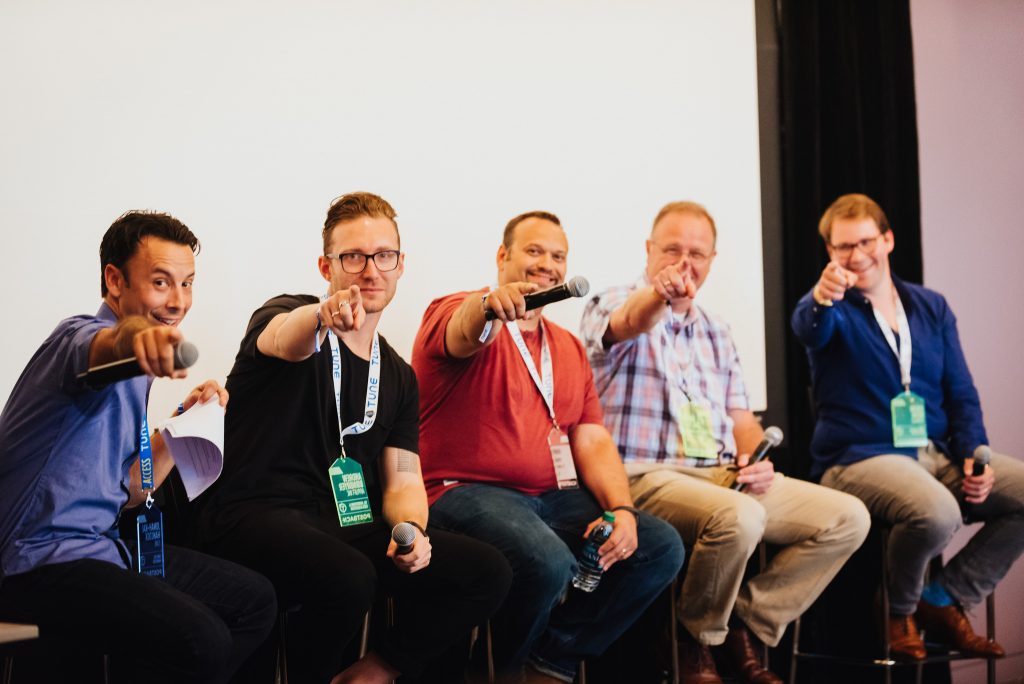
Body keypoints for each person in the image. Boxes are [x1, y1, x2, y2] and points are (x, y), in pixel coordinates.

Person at [192, 192, 511, 684]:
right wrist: (322, 316)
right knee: (346, 576)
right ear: (327, 266)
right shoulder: (290, 314)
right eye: (353, 257)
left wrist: (411, 533)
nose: (370, 270)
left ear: (401, 265)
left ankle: (375, 671)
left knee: (486, 569)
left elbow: (404, 479)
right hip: (251, 513)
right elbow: (284, 338)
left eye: (384, 255)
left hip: (344, 521)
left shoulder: (399, 375)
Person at [581, 201, 869, 684]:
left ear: (713, 259)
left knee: (847, 518)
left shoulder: (716, 330)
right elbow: (630, 322)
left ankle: (744, 624)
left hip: (718, 473)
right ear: (649, 250)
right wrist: (658, 295)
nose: (684, 262)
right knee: (741, 516)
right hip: (643, 474)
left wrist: (755, 457)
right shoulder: (610, 300)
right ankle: (695, 641)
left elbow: (741, 418)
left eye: (697, 253)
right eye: (672, 249)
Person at [0, 211, 277, 684]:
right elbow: (109, 346)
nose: (178, 301)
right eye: (161, 282)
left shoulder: (140, 376)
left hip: (101, 549)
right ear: (114, 280)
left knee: (255, 602)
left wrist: (180, 431)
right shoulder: (79, 340)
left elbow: (128, 491)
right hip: (35, 561)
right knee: (201, 639)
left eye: (187, 284)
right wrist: (138, 339)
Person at [411, 210, 685, 683]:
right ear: (503, 257)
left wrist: (621, 509)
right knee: (548, 561)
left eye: (557, 256)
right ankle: (504, 672)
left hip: (550, 497)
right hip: (463, 491)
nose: (548, 265)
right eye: (534, 251)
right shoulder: (457, 307)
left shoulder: (568, 346)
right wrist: (488, 307)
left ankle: (550, 662)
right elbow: (463, 331)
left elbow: (591, 435)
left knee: (659, 546)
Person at [792, 193, 1024, 660]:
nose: (856, 256)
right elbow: (808, 328)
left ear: (888, 239)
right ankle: (898, 612)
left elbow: (960, 391)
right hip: (858, 458)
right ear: (830, 253)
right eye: (843, 248)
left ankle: (941, 599)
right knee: (936, 512)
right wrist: (821, 298)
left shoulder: (930, 306)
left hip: (934, 453)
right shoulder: (830, 305)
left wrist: (975, 456)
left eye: (865, 242)